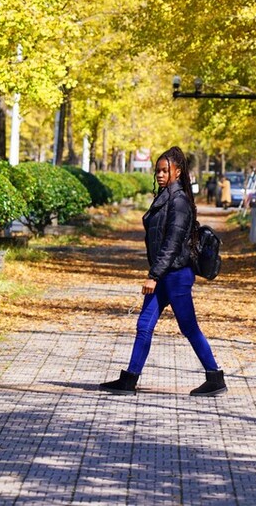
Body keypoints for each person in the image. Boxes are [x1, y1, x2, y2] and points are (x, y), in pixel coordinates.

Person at [100, 146, 227, 397]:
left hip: (176, 276)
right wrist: (156, 274)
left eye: (164, 170)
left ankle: (215, 377)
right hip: (164, 274)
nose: (159, 174)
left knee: (189, 327)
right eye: (157, 170)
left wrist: (153, 276)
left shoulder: (179, 201)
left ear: (177, 172)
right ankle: (129, 379)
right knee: (144, 326)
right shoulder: (166, 196)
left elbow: (171, 244)